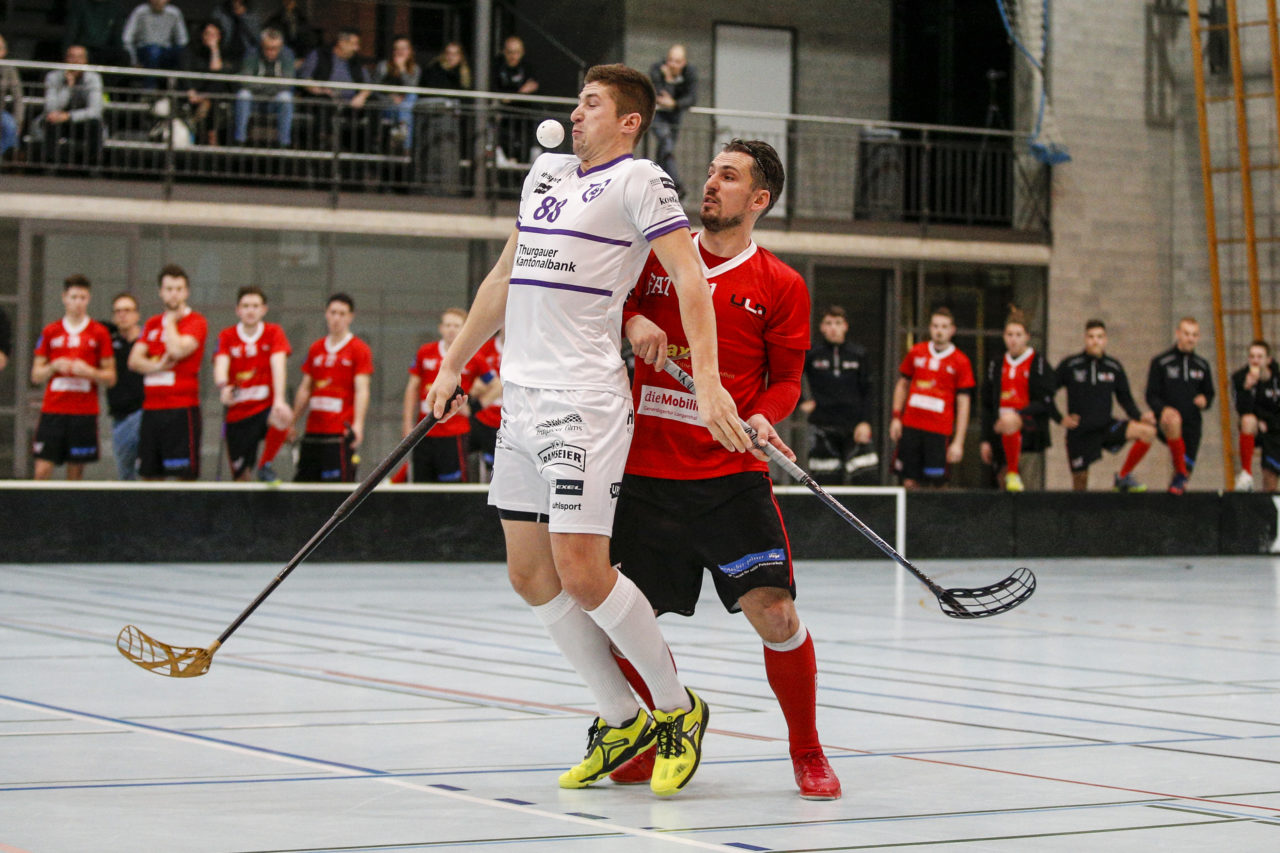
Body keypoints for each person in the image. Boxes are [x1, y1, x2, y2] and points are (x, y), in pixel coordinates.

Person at [423, 64, 750, 797]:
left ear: (629, 120)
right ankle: (618, 713)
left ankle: (677, 708)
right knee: (529, 573)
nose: (576, 113)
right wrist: (453, 365)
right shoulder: (545, 175)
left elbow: (688, 279)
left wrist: (705, 378)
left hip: (585, 401)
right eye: (576, 100)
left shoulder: (642, 182)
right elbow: (503, 277)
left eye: (592, 103)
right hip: (522, 401)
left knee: (583, 571)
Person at [609, 139, 840, 799]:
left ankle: (807, 749)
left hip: (729, 477)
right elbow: (604, 300)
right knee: (619, 616)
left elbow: (787, 380)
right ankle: (661, 727)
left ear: (759, 199)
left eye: (728, 176)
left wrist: (766, 415)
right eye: (710, 172)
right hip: (647, 474)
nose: (709, 184)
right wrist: (631, 322)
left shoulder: (781, 285)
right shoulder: (658, 252)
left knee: (775, 613)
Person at [1053, 319, 1156, 492]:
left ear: (1105, 339)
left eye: (1099, 337)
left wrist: (1140, 416)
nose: (1095, 341)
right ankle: (1079, 516)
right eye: (1091, 337)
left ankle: (1123, 476)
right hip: (1080, 431)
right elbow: (1047, 391)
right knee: (1080, 482)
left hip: (1106, 426)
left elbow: (1125, 399)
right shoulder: (1071, 365)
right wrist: (1060, 418)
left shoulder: (1113, 367)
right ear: (1085, 339)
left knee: (1148, 432)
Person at [30, 275, 116, 480]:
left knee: (75, 473)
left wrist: (89, 372)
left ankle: (69, 512)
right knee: (42, 469)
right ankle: (39, 510)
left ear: (89, 299)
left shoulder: (99, 332)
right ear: (64, 298)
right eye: (74, 297)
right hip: (54, 410)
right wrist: (53, 366)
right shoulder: (51, 331)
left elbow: (110, 377)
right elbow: (36, 375)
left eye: (83, 297)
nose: (78, 302)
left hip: (83, 412)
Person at [128, 264, 208, 480]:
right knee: (149, 474)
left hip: (181, 410)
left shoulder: (196, 321)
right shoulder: (152, 323)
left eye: (179, 289)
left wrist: (171, 321)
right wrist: (156, 367)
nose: (174, 294)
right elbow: (134, 361)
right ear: (160, 292)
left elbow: (176, 350)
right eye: (169, 289)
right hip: (152, 410)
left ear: (186, 292)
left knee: (183, 476)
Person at [290, 293, 372, 482]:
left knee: (336, 491)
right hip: (313, 433)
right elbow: (305, 389)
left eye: (342, 314)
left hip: (339, 435)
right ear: (326, 314)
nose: (337, 318)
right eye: (333, 312)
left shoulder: (359, 349)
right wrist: (293, 422)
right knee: (305, 484)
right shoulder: (316, 348)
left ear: (350, 317)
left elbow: (362, 390)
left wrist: (358, 425)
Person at [889, 307, 975, 488]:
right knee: (909, 481)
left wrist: (958, 441)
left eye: (944, 326)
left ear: (952, 330)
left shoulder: (961, 361)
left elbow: (964, 402)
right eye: (935, 326)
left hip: (938, 430)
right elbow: (902, 384)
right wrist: (896, 417)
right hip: (912, 426)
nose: (939, 331)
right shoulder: (917, 352)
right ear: (930, 328)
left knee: (938, 483)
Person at [213, 286, 292, 481]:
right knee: (241, 476)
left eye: (255, 306)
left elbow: (278, 364)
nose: (250, 310)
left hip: (264, 409)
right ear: (237, 310)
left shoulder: (274, 332)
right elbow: (221, 364)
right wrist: (224, 387)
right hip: (238, 413)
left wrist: (280, 401)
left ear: (264, 309)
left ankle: (265, 465)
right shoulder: (227, 336)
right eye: (246, 306)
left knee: (283, 417)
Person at [402, 308, 489, 482]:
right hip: (424, 430)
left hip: (454, 432)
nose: (451, 329)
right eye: (447, 325)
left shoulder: (473, 356)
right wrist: (407, 424)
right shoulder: (425, 352)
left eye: (456, 326)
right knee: (422, 487)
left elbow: (495, 384)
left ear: (464, 329)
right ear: (441, 328)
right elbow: (412, 388)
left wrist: (474, 406)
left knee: (453, 487)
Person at [979, 306, 1055, 491]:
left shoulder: (1038, 363)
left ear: (1027, 336)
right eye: (1009, 334)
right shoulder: (996, 364)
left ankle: (1015, 472)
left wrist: (1019, 415)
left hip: (1029, 427)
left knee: (1027, 484)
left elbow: (1045, 400)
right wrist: (985, 439)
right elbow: (987, 403)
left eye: (1018, 335)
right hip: (1001, 428)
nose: (1013, 339)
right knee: (1003, 483)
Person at [799, 305, 875, 485]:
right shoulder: (812, 354)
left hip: (855, 428)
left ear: (845, 326)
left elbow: (868, 390)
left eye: (838, 323)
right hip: (823, 426)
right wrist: (800, 402)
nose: (833, 328)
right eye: (829, 323)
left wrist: (865, 422)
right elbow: (789, 376)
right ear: (822, 327)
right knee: (826, 483)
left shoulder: (859, 354)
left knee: (866, 479)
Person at [1146, 316, 1215, 494]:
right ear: (1178, 334)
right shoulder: (1161, 362)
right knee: (1173, 421)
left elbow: (1210, 393)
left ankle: (1173, 497)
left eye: (1194, 335)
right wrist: (1162, 409)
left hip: (1192, 422)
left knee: (1183, 478)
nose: (1190, 338)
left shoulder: (1202, 365)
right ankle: (1179, 473)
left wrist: (1205, 401)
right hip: (1167, 420)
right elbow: (1150, 394)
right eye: (1186, 334)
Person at [300, 29, 371, 150]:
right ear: (342, 43)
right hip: (324, 100)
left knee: (373, 102)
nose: (357, 48)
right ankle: (323, 142)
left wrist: (362, 96)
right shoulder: (319, 54)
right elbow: (305, 78)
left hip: (350, 105)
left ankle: (372, 144)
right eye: (354, 44)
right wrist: (320, 90)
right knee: (324, 101)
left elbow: (368, 85)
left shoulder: (356, 61)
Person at [39, 44, 105, 166]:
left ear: (86, 61)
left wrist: (69, 116)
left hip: (81, 119)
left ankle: (93, 165)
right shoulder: (53, 77)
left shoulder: (94, 78)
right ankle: (50, 164)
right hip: (59, 119)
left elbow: (95, 110)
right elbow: (51, 108)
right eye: (71, 57)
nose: (75, 62)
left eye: (80, 58)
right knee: (50, 120)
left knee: (95, 124)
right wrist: (68, 87)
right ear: (65, 59)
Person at [105, 292, 145, 479]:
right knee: (126, 475)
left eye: (127, 310)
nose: (123, 315)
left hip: (144, 413)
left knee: (145, 470)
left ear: (137, 315)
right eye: (118, 311)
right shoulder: (110, 342)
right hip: (120, 416)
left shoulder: (147, 341)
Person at [233, 27, 295, 148]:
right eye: (268, 48)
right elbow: (245, 81)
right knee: (243, 95)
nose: (271, 52)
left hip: (274, 100)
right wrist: (273, 85)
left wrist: (260, 85)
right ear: (262, 45)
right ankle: (240, 141)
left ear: (281, 46)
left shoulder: (287, 54)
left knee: (286, 98)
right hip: (254, 99)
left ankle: (284, 143)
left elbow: (287, 84)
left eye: (275, 49)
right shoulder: (252, 53)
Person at [648, 44, 697, 197]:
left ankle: (658, 183)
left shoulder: (690, 72)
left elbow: (691, 98)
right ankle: (676, 184)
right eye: (670, 60)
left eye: (677, 62)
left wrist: (675, 103)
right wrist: (669, 79)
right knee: (666, 141)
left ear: (684, 63)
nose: (672, 64)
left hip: (675, 115)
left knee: (665, 150)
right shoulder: (657, 69)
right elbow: (661, 97)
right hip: (658, 114)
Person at [1232, 339, 1280, 492]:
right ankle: (1246, 473)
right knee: (1248, 420)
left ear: (1268, 360)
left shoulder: (1277, 379)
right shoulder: (1240, 377)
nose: (1255, 361)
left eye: (1260, 357)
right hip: (1259, 429)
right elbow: (1242, 410)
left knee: (1271, 477)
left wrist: (1268, 422)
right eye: (1252, 356)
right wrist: (1247, 388)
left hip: (1275, 429)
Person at [182, 20, 232, 146]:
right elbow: (185, 72)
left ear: (220, 36)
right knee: (209, 101)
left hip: (211, 96)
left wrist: (214, 49)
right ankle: (211, 136)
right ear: (202, 35)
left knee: (213, 94)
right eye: (208, 34)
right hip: (193, 94)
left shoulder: (223, 53)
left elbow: (216, 70)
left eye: (214, 35)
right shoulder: (190, 50)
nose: (210, 38)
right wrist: (191, 91)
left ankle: (206, 133)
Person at [492, 35, 538, 164]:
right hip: (505, 118)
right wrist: (520, 92)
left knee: (525, 149)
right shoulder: (497, 67)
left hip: (524, 115)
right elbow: (498, 92)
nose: (513, 56)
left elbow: (534, 85)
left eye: (517, 52)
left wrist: (513, 95)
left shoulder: (527, 67)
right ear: (504, 52)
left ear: (522, 53)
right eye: (510, 52)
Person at [375, 35, 420, 152]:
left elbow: (411, 89)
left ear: (410, 52)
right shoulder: (383, 66)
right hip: (387, 106)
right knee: (405, 111)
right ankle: (406, 148)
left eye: (404, 48)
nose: (400, 52)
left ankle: (401, 138)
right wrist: (391, 97)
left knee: (410, 99)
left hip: (405, 107)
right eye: (397, 48)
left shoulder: (415, 69)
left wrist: (402, 70)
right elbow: (374, 90)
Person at [468, 332, 503, 481]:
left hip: (517, 418)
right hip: (486, 418)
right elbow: (474, 385)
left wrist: (495, 385)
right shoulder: (484, 348)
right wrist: (499, 387)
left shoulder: (528, 348)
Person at [122, 0, 188, 73]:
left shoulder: (174, 13)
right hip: (144, 51)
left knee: (183, 53)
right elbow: (127, 38)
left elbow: (182, 40)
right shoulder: (140, 11)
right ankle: (150, 83)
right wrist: (134, 61)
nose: (158, 1)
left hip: (166, 51)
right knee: (154, 51)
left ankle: (184, 82)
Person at [64, 0, 131, 67]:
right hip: (84, 48)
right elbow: (71, 33)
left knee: (123, 56)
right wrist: (68, 50)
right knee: (78, 55)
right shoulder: (79, 4)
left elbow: (117, 38)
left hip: (106, 50)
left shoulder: (115, 7)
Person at [262, 0, 315, 67]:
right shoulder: (275, 20)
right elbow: (268, 41)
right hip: (279, 59)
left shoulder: (303, 21)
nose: (289, 2)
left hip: (300, 59)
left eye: (292, 1)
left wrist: (303, 59)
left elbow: (309, 42)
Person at [210, 0, 259, 66]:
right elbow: (213, 32)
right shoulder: (219, 12)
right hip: (224, 52)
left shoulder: (251, 13)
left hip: (245, 55)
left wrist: (243, 15)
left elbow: (256, 37)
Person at [1, 33, 25, 159]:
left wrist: (18, 121)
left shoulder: (9, 69)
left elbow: (18, 97)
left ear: (4, 52)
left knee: (11, 125)